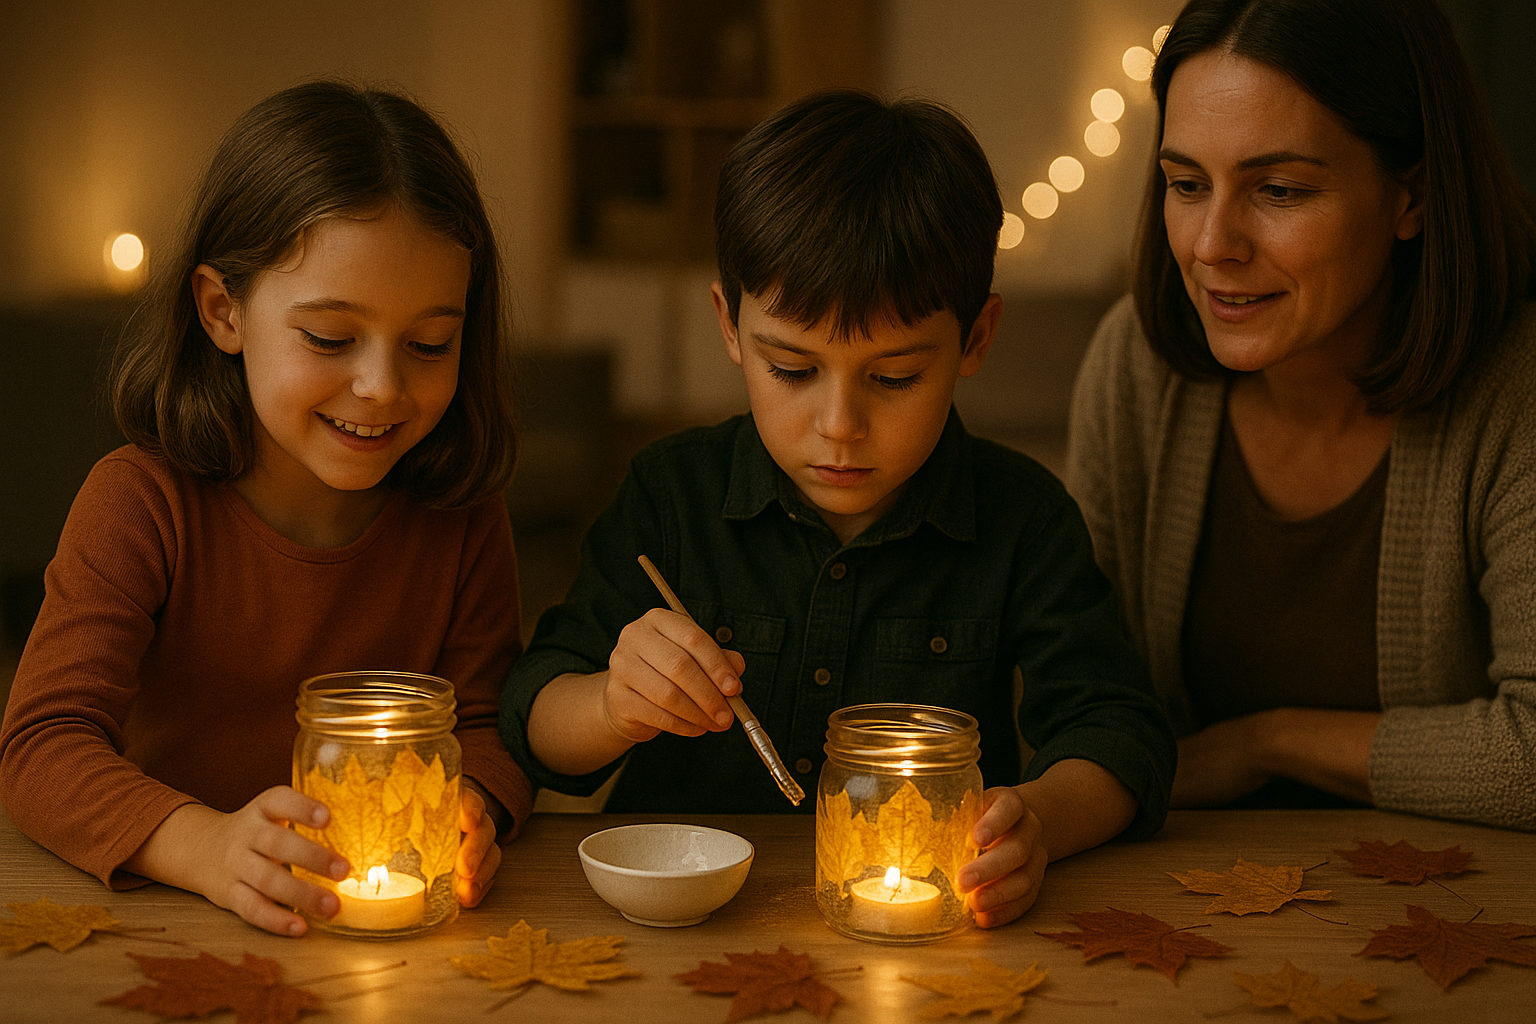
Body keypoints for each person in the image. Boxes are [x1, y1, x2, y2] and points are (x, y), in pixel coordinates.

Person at [500, 91, 1177, 928]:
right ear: (730, 325)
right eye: (791, 370)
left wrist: (1038, 821)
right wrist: (609, 704)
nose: (840, 427)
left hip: (923, 933)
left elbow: (1118, 733)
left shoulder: (1022, 517)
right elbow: (531, 720)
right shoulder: (671, 495)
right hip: (682, 929)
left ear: (976, 339)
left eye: (893, 378)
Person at [0, 81, 535, 935]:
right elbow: (43, 745)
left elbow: (488, 721)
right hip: (162, 923)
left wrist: (472, 804)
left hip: (378, 932)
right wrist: (206, 847)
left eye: (431, 344)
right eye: (329, 338)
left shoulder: (461, 514)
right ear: (224, 312)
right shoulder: (140, 504)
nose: (383, 387)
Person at [1066, 0, 1536, 828]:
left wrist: (1266, 744)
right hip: (1180, 902)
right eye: (1185, 184)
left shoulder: (1516, 394)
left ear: (1412, 196)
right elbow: (1075, 689)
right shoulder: (1136, 366)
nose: (1213, 244)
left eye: (1278, 189)